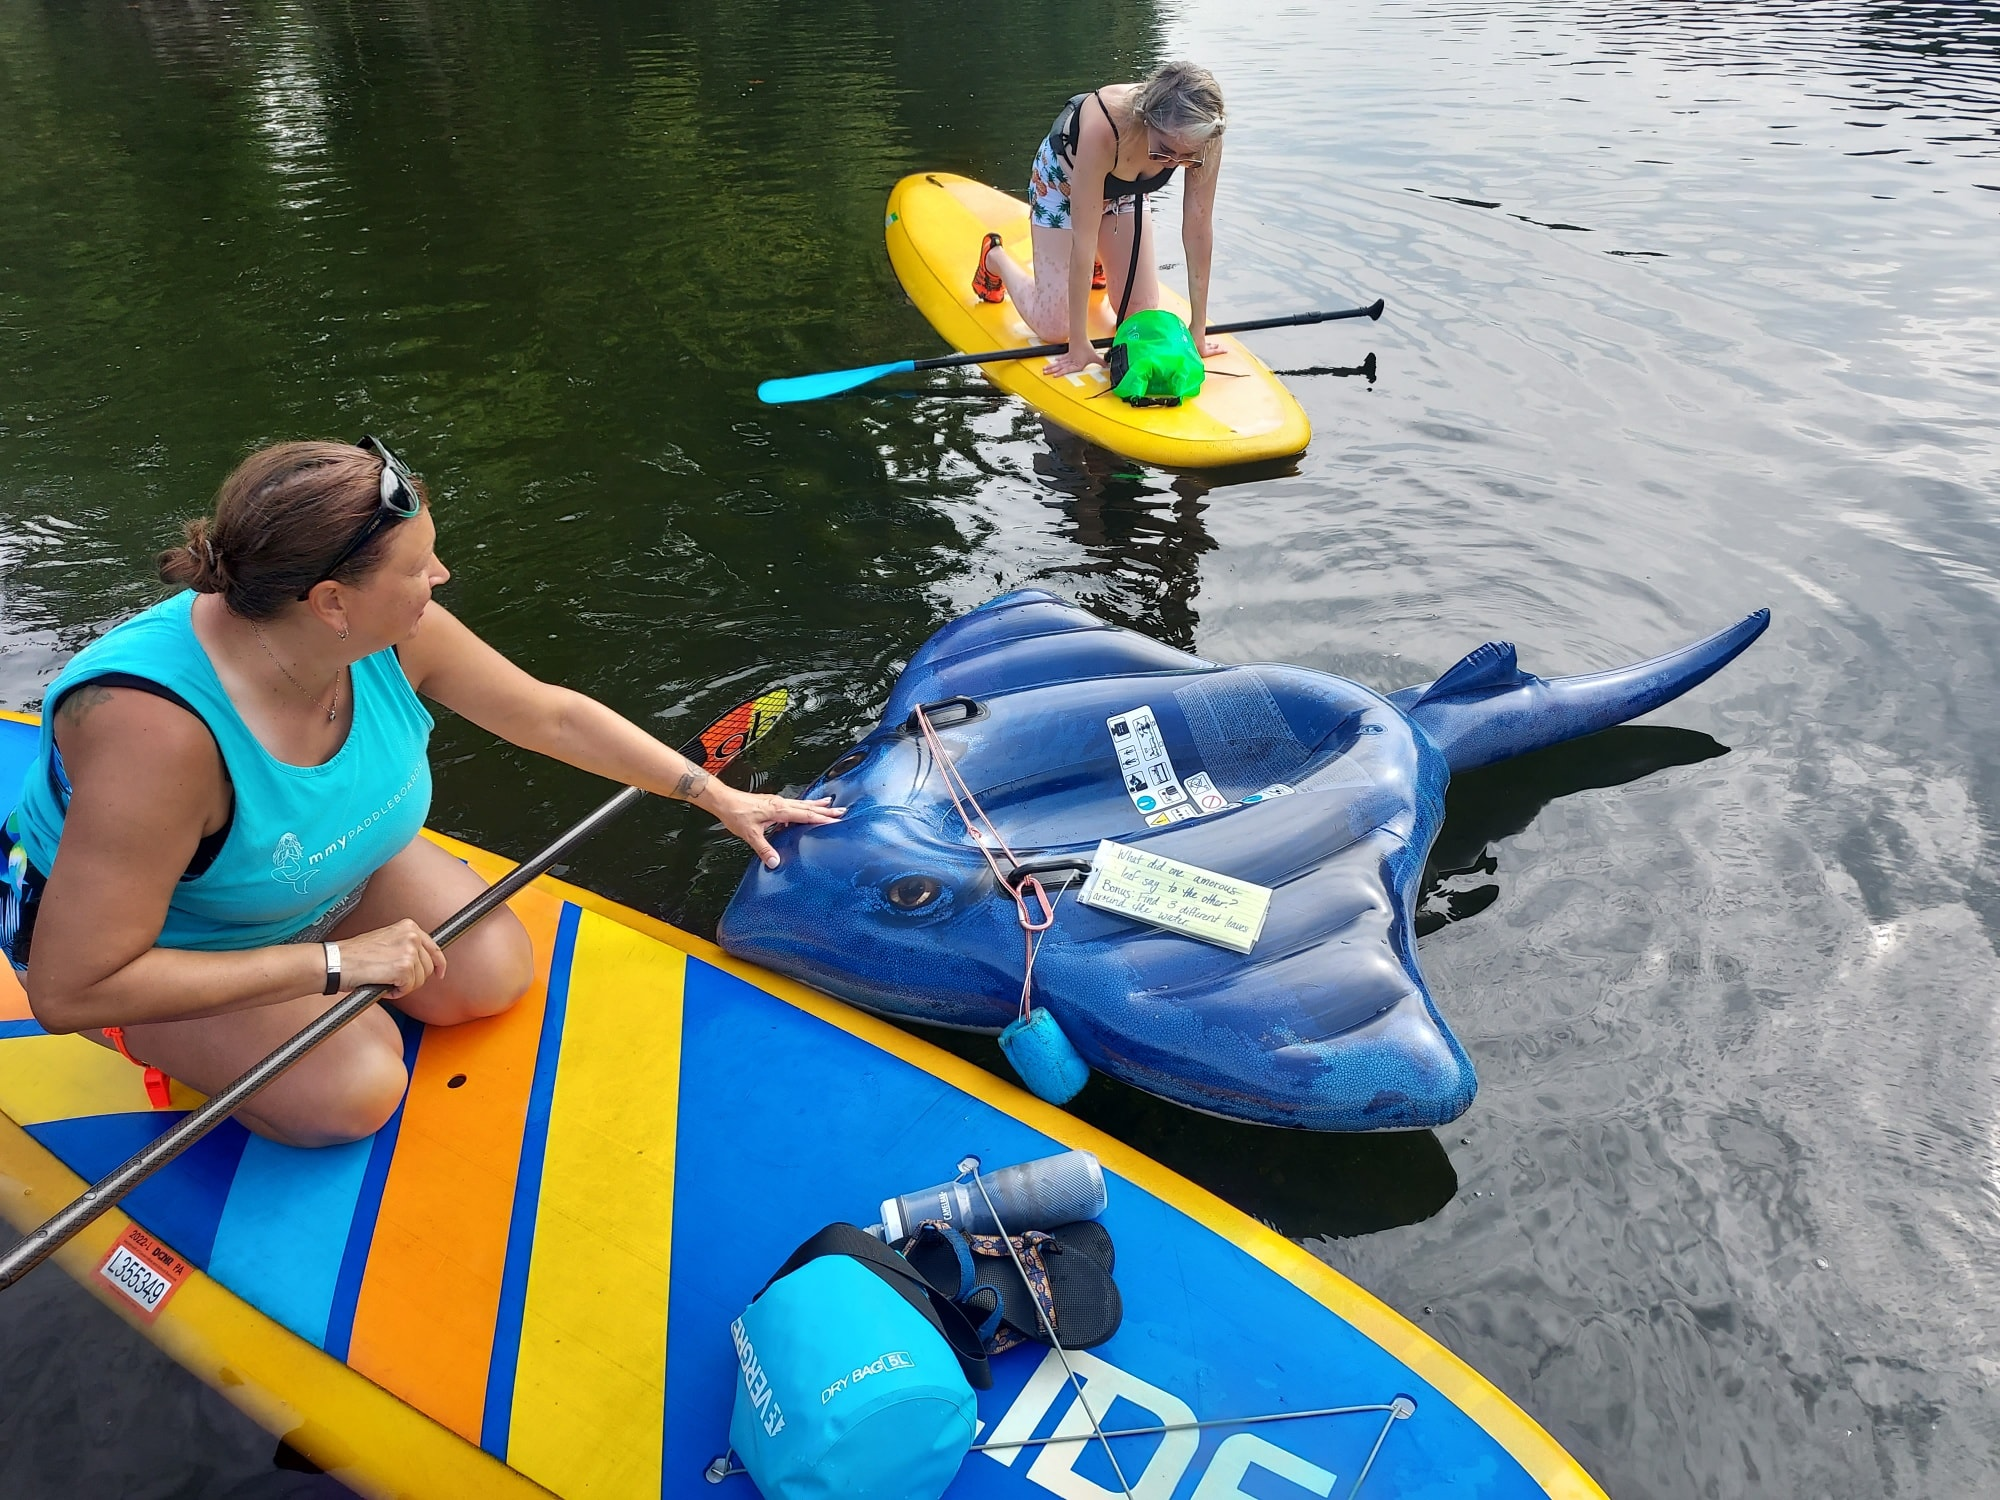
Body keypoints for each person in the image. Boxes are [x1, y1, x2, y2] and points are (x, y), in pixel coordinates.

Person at [0, 438, 841, 1147]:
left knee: (491, 976)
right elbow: (70, 990)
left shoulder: (387, 629)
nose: (440, 575)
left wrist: (708, 795)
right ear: (330, 601)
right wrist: (336, 965)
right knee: (358, 1088)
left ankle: (313, 953)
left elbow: (548, 716)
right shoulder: (157, 733)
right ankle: (159, 1037)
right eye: (417, 566)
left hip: (312, 880)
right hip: (170, 943)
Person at [972, 62, 1227, 379]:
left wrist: (1198, 328)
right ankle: (994, 259)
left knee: (1140, 313)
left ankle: (1100, 265)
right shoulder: (1105, 127)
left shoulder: (1206, 135)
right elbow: (1084, 237)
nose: (1174, 163)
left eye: (1186, 157)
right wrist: (1079, 344)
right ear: (1147, 120)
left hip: (1127, 193)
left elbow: (1198, 229)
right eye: (1164, 152)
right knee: (1054, 326)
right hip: (1061, 187)